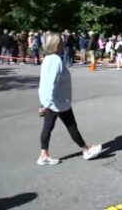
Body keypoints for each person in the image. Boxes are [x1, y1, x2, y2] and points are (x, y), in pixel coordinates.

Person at [37, 32, 102, 165]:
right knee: (71, 126)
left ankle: (44, 155)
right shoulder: (55, 60)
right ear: (57, 44)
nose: (63, 43)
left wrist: (44, 102)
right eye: (61, 41)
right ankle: (86, 149)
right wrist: (46, 103)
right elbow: (49, 83)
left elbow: (44, 83)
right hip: (58, 102)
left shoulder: (48, 59)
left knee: (48, 128)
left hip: (54, 101)